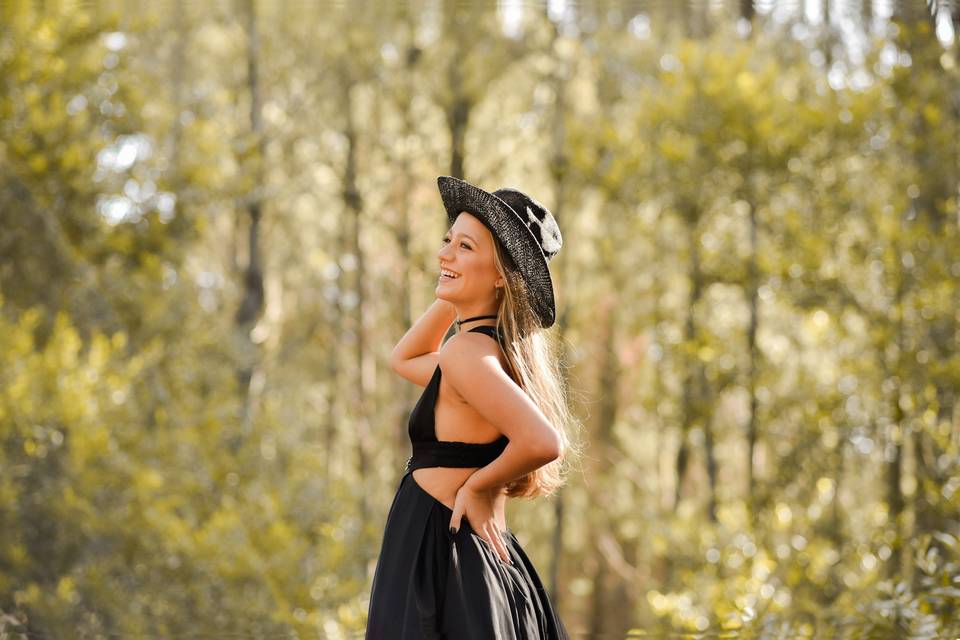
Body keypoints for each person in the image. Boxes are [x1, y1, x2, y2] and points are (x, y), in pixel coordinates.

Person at [365, 176, 575, 639]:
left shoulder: (466, 354)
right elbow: (405, 358)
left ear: (500, 272)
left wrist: (477, 487)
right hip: (468, 556)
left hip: (440, 552)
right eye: (447, 242)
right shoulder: (483, 354)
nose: (444, 255)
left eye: (464, 247)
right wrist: (454, 291)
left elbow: (543, 441)